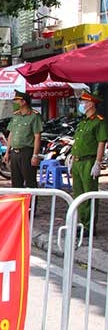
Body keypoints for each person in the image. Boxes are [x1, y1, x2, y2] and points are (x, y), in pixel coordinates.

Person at [70, 91, 107, 236]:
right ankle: (82, 222)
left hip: (89, 161)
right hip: (78, 161)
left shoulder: (99, 121)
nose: (81, 105)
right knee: (78, 194)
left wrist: (97, 162)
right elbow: (78, 143)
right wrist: (72, 158)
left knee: (89, 194)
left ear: (91, 104)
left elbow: (101, 143)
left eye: (84, 102)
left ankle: (90, 226)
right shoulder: (82, 121)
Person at [3, 90, 43, 188]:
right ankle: (19, 203)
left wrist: (35, 155)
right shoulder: (16, 115)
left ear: (24, 101)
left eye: (17, 100)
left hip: (27, 152)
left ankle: (32, 203)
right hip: (14, 153)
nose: (15, 103)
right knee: (16, 182)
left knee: (30, 181)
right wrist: (7, 152)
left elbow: (37, 136)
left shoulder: (34, 116)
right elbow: (11, 134)